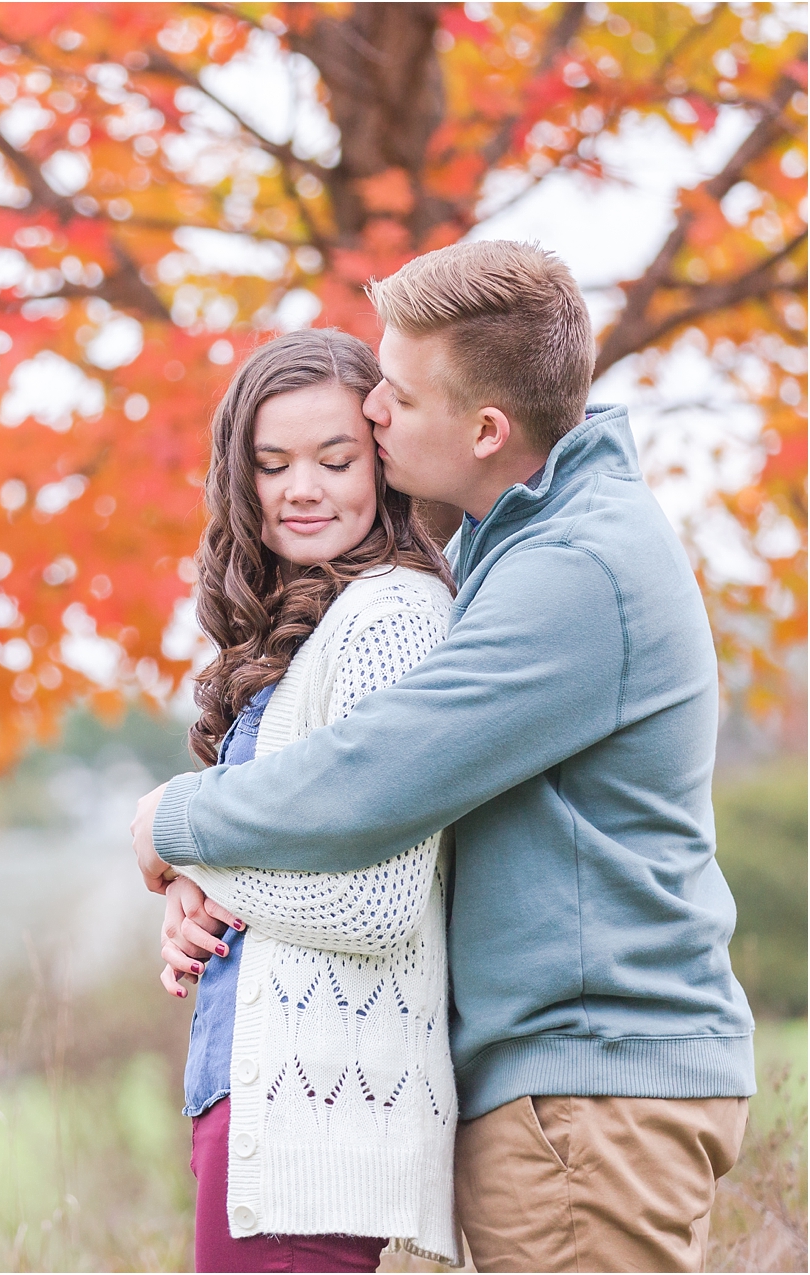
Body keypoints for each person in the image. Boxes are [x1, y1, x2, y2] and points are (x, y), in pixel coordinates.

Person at [134, 240, 754, 1274]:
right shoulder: (506, 544)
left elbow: (376, 776)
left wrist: (175, 826)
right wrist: (209, 872)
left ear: (484, 429)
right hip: (560, 1085)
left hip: (589, 1084)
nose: (370, 412)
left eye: (394, 396)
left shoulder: (573, 569)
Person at [155, 326, 462, 1271]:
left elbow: (376, 902)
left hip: (315, 1109)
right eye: (273, 462)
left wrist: (182, 845)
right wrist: (189, 900)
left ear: (383, 463)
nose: (304, 487)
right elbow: (288, 842)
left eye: (336, 459)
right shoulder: (304, 633)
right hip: (260, 1101)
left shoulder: (391, 615)